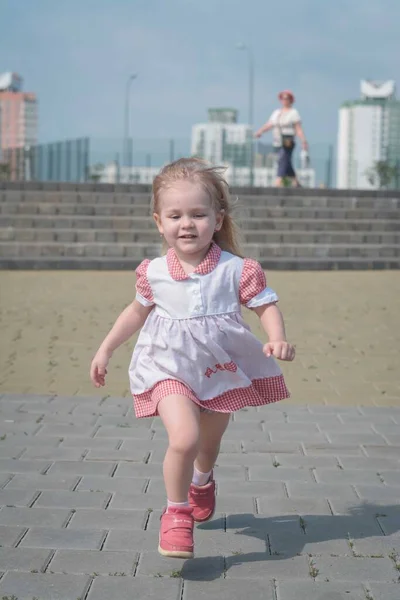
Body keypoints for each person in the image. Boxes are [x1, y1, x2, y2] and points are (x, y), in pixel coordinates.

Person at [90, 158, 295, 559]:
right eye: (175, 215)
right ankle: (176, 514)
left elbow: (265, 305)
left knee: (207, 445)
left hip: (220, 368)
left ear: (217, 220)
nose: (187, 224)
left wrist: (277, 338)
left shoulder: (238, 269)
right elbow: (135, 311)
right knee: (184, 437)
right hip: (167, 366)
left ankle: (203, 480)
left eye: (198, 214)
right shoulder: (154, 272)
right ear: (158, 221)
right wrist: (106, 347)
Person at [254, 90, 308, 187]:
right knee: (286, 161)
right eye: (283, 98)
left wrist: (303, 141)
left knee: (282, 158)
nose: (284, 100)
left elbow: (298, 128)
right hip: (277, 141)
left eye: (286, 98)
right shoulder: (277, 113)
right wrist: (260, 131)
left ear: (290, 100)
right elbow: (270, 124)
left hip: (288, 141)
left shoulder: (293, 113)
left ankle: (278, 180)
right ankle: (296, 182)